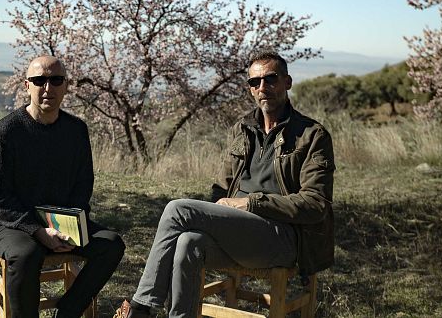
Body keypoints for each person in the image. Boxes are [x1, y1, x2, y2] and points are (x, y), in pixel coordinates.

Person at [114, 51, 335, 318]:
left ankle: (140, 309)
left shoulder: (311, 135)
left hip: (284, 239)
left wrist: (251, 203)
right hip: (240, 232)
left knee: (177, 209)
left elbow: (315, 204)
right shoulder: (242, 129)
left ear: (287, 82)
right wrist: (219, 218)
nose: (262, 87)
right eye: (254, 82)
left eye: (270, 79)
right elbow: (221, 189)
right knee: (188, 242)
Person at [0, 55, 125, 318]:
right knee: (26, 255)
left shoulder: (76, 130)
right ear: (27, 85)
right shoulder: (7, 131)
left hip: (62, 222)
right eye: (39, 81)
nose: (47, 88)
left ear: (66, 86)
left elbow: (83, 185)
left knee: (111, 244)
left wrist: (68, 227)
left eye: (56, 80)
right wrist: (38, 231)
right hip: (13, 224)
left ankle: (67, 313)